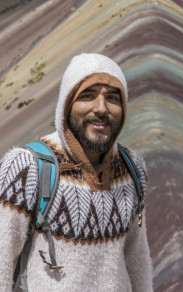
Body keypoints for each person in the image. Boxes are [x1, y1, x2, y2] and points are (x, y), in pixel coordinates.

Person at [0, 53, 153, 292]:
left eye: (112, 98)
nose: (101, 108)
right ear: (67, 104)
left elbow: (137, 259)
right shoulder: (26, 167)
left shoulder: (132, 168)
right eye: (88, 95)